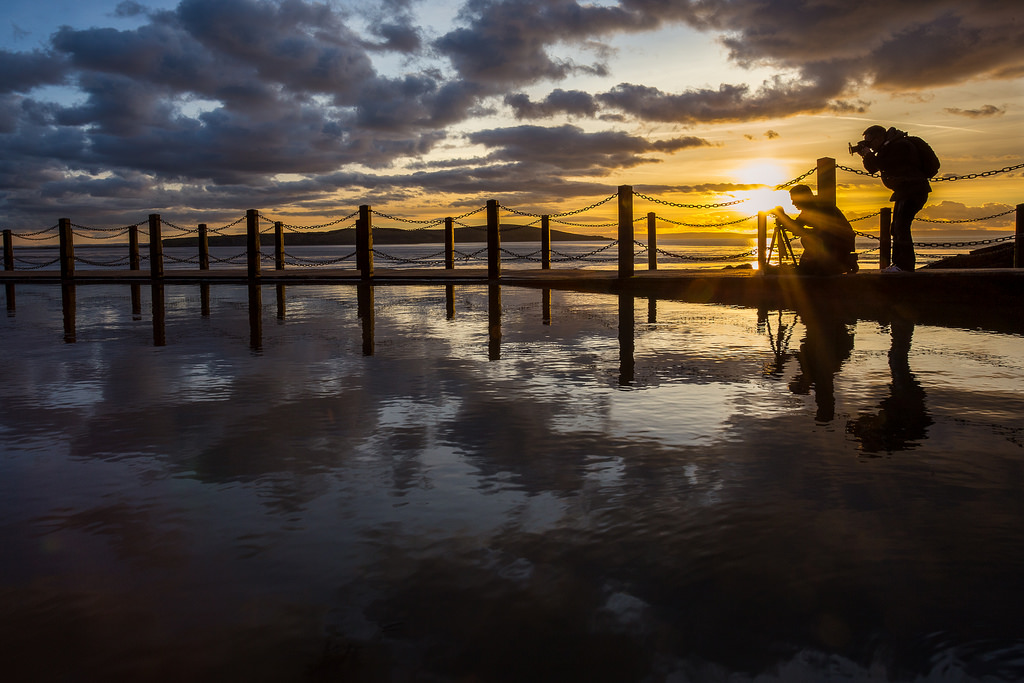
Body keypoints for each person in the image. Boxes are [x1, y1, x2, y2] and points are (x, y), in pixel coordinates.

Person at [853, 125, 932, 271]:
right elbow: (873, 168)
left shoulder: (899, 146)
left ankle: (904, 265)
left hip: (913, 190)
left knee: (901, 226)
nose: (869, 145)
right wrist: (866, 155)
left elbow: (882, 164)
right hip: (905, 190)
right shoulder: (888, 148)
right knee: (896, 228)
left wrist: (869, 155)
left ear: (879, 137)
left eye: (870, 141)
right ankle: (898, 264)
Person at [771, 185, 857, 276]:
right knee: (805, 265)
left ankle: (841, 263)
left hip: (838, 243)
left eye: (794, 200)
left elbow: (824, 232)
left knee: (808, 244)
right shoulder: (811, 207)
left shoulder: (820, 207)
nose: (793, 203)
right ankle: (841, 263)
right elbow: (796, 226)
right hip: (834, 242)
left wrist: (783, 216)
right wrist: (783, 216)